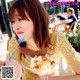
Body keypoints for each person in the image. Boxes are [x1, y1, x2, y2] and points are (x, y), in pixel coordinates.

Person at [0, 0, 80, 80]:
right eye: (13, 21)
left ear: (36, 17)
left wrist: (50, 78)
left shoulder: (56, 39)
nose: (15, 27)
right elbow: (8, 74)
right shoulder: (15, 41)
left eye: (20, 19)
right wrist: (8, 69)